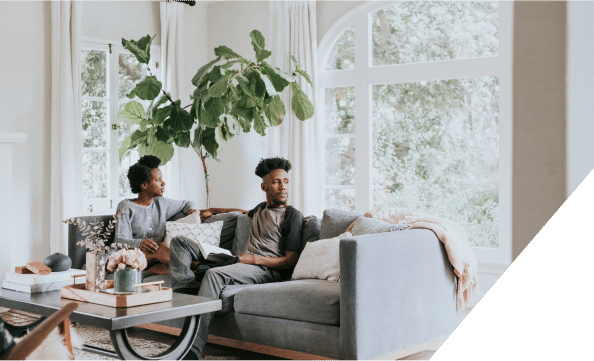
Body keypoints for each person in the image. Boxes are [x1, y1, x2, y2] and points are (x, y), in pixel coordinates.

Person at [169, 157, 303, 360]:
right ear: (264, 186)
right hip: (239, 262)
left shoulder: (293, 216)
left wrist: (253, 260)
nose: (283, 187)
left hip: (265, 270)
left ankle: (192, 349)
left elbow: (291, 261)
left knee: (213, 275)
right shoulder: (260, 209)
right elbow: (241, 212)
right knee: (179, 242)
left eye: (285, 181)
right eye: (276, 182)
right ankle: (188, 289)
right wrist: (214, 210)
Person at [114, 155, 245, 270]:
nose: (163, 183)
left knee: (169, 265)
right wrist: (140, 243)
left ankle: (197, 271)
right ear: (144, 185)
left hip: (157, 261)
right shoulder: (126, 207)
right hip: (132, 257)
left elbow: (187, 203)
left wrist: (190, 210)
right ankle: (198, 265)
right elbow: (119, 240)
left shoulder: (162, 202)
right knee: (162, 248)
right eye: (158, 180)